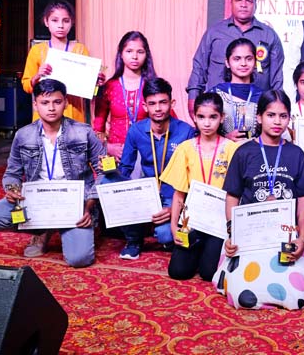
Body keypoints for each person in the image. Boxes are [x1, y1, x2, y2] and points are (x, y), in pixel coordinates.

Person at [0, 79, 106, 267]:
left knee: (79, 259)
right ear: (35, 105)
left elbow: (105, 171)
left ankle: (67, 228)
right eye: (44, 102)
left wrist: (89, 204)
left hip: (75, 201)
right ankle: (41, 230)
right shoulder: (23, 135)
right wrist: (12, 189)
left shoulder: (83, 132)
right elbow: (12, 173)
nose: (51, 108)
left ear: (65, 103)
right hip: (37, 200)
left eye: (57, 102)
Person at [213, 90, 304, 310]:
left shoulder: (296, 154)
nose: (277, 122)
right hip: (250, 234)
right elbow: (232, 197)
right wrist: (232, 234)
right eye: (271, 115)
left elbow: (302, 199)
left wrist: (302, 237)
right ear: (259, 117)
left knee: (296, 295)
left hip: (286, 233)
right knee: (242, 295)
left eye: (283, 116)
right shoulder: (244, 152)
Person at [115, 78, 196, 260]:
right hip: (146, 191)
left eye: (163, 102)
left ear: (172, 103)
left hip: (173, 194)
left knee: (165, 235)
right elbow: (125, 168)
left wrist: (174, 209)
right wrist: (116, 187)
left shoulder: (186, 132)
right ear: (145, 106)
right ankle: (134, 240)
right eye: (152, 104)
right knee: (110, 184)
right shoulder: (136, 130)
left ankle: (164, 231)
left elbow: (193, 176)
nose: (158, 108)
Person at [161, 92, 238, 282]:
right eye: (201, 117)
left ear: (222, 118)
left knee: (208, 273)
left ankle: (208, 250)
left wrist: (232, 230)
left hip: (219, 221)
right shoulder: (185, 149)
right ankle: (198, 249)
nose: (207, 123)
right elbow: (179, 194)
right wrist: (174, 226)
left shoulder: (232, 149)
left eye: (213, 117)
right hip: (191, 219)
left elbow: (236, 194)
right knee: (178, 272)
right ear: (194, 117)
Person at [187, 0, 284, 117]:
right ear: (231, 3)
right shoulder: (214, 32)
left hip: (257, 108)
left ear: (256, 5)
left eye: (249, 1)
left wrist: (278, 104)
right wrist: (193, 96)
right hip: (217, 108)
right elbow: (199, 66)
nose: (243, 5)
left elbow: (277, 76)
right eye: (239, 0)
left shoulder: (269, 35)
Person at [22, 0, 102, 122]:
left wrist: (96, 83)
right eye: (55, 20)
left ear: (72, 22)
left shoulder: (80, 50)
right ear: (46, 22)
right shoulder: (37, 51)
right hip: (45, 115)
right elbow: (26, 86)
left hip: (73, 113)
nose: (60, 25)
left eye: (66, 21)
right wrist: (38, 76)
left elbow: (90, 91)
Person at [93, 31, 157, 163]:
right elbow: (97, 128)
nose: (135, 56)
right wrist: (108, 147)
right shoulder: (110, 86)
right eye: (129, 51)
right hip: (115, 155)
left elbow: (168, 121)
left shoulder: (152, 86)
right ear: (121, 54)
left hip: (147, 155)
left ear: (146, 55)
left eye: (140, 52)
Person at [210, 38, 264, 141]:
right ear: (227, 62)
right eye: (237, 59)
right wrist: (225, 138)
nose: (243, 63)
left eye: (249, 59)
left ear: (255, 62)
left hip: (254, 149)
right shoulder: (215, 94)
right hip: (222, 149)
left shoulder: (262, 97)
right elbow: (204, 129)